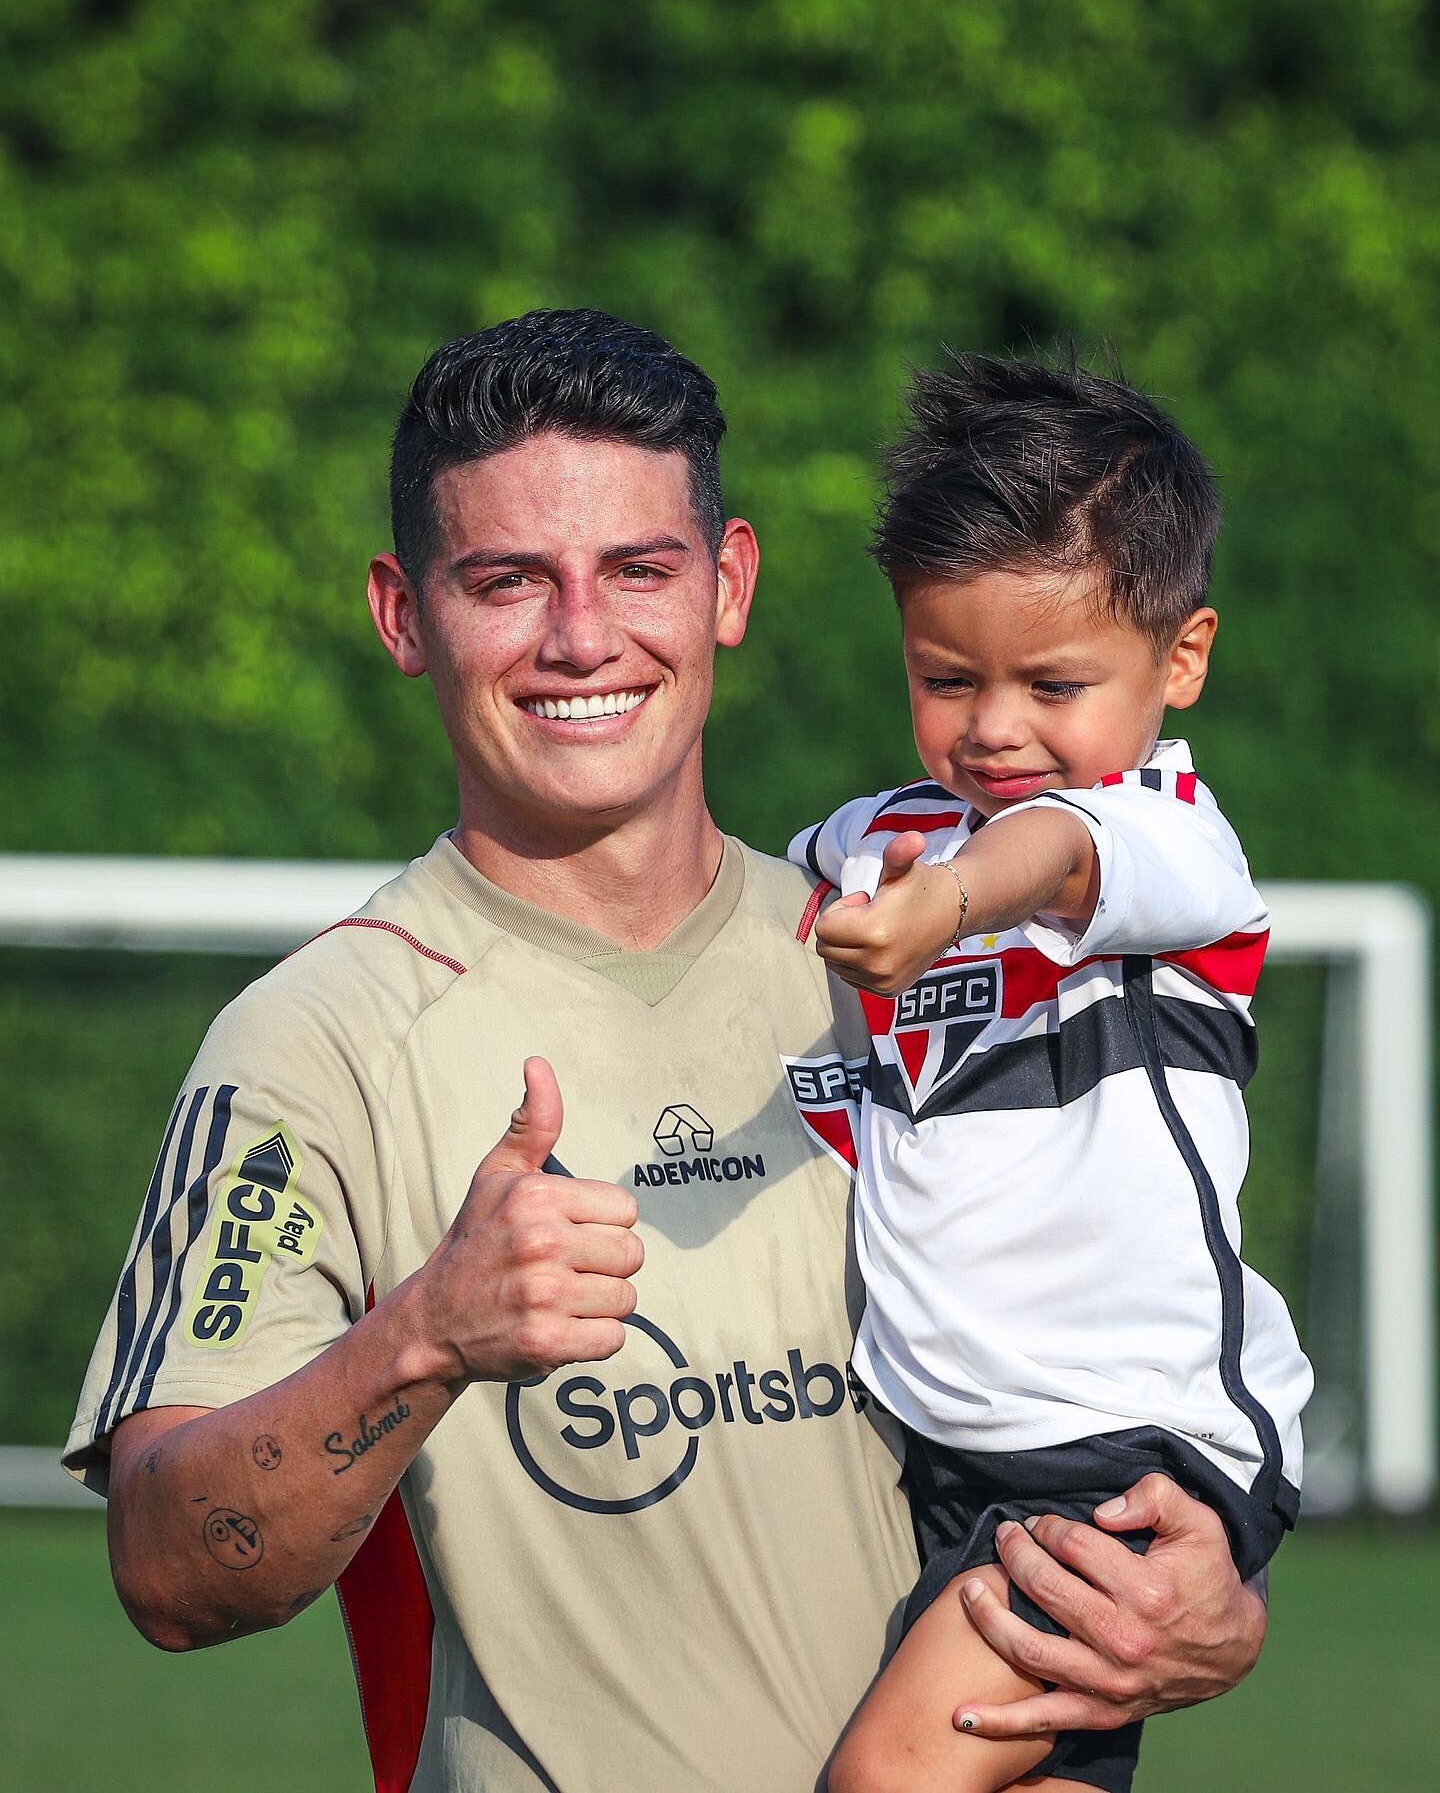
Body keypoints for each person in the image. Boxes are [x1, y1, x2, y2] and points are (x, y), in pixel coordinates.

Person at [67, 312, 1271, 1793]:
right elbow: (168, 1573)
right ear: (401, 613)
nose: (582, 637)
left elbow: (1135, 1331)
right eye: (508, 581)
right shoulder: (316, 1040)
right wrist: (426, 1333)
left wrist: (1209, 1602)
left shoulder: (899, 956)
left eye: (638, 570)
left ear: (729, 587)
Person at [789, 353, 1312, 1793]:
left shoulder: (1168, 836)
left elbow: (1057, 851)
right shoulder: (870, 836)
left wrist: (941, 906)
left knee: (886, 1779)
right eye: (945, 678)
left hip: (1119, 1450)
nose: (996, 727)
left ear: (1180, 657)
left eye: (1053, 682)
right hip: (959, 1447)